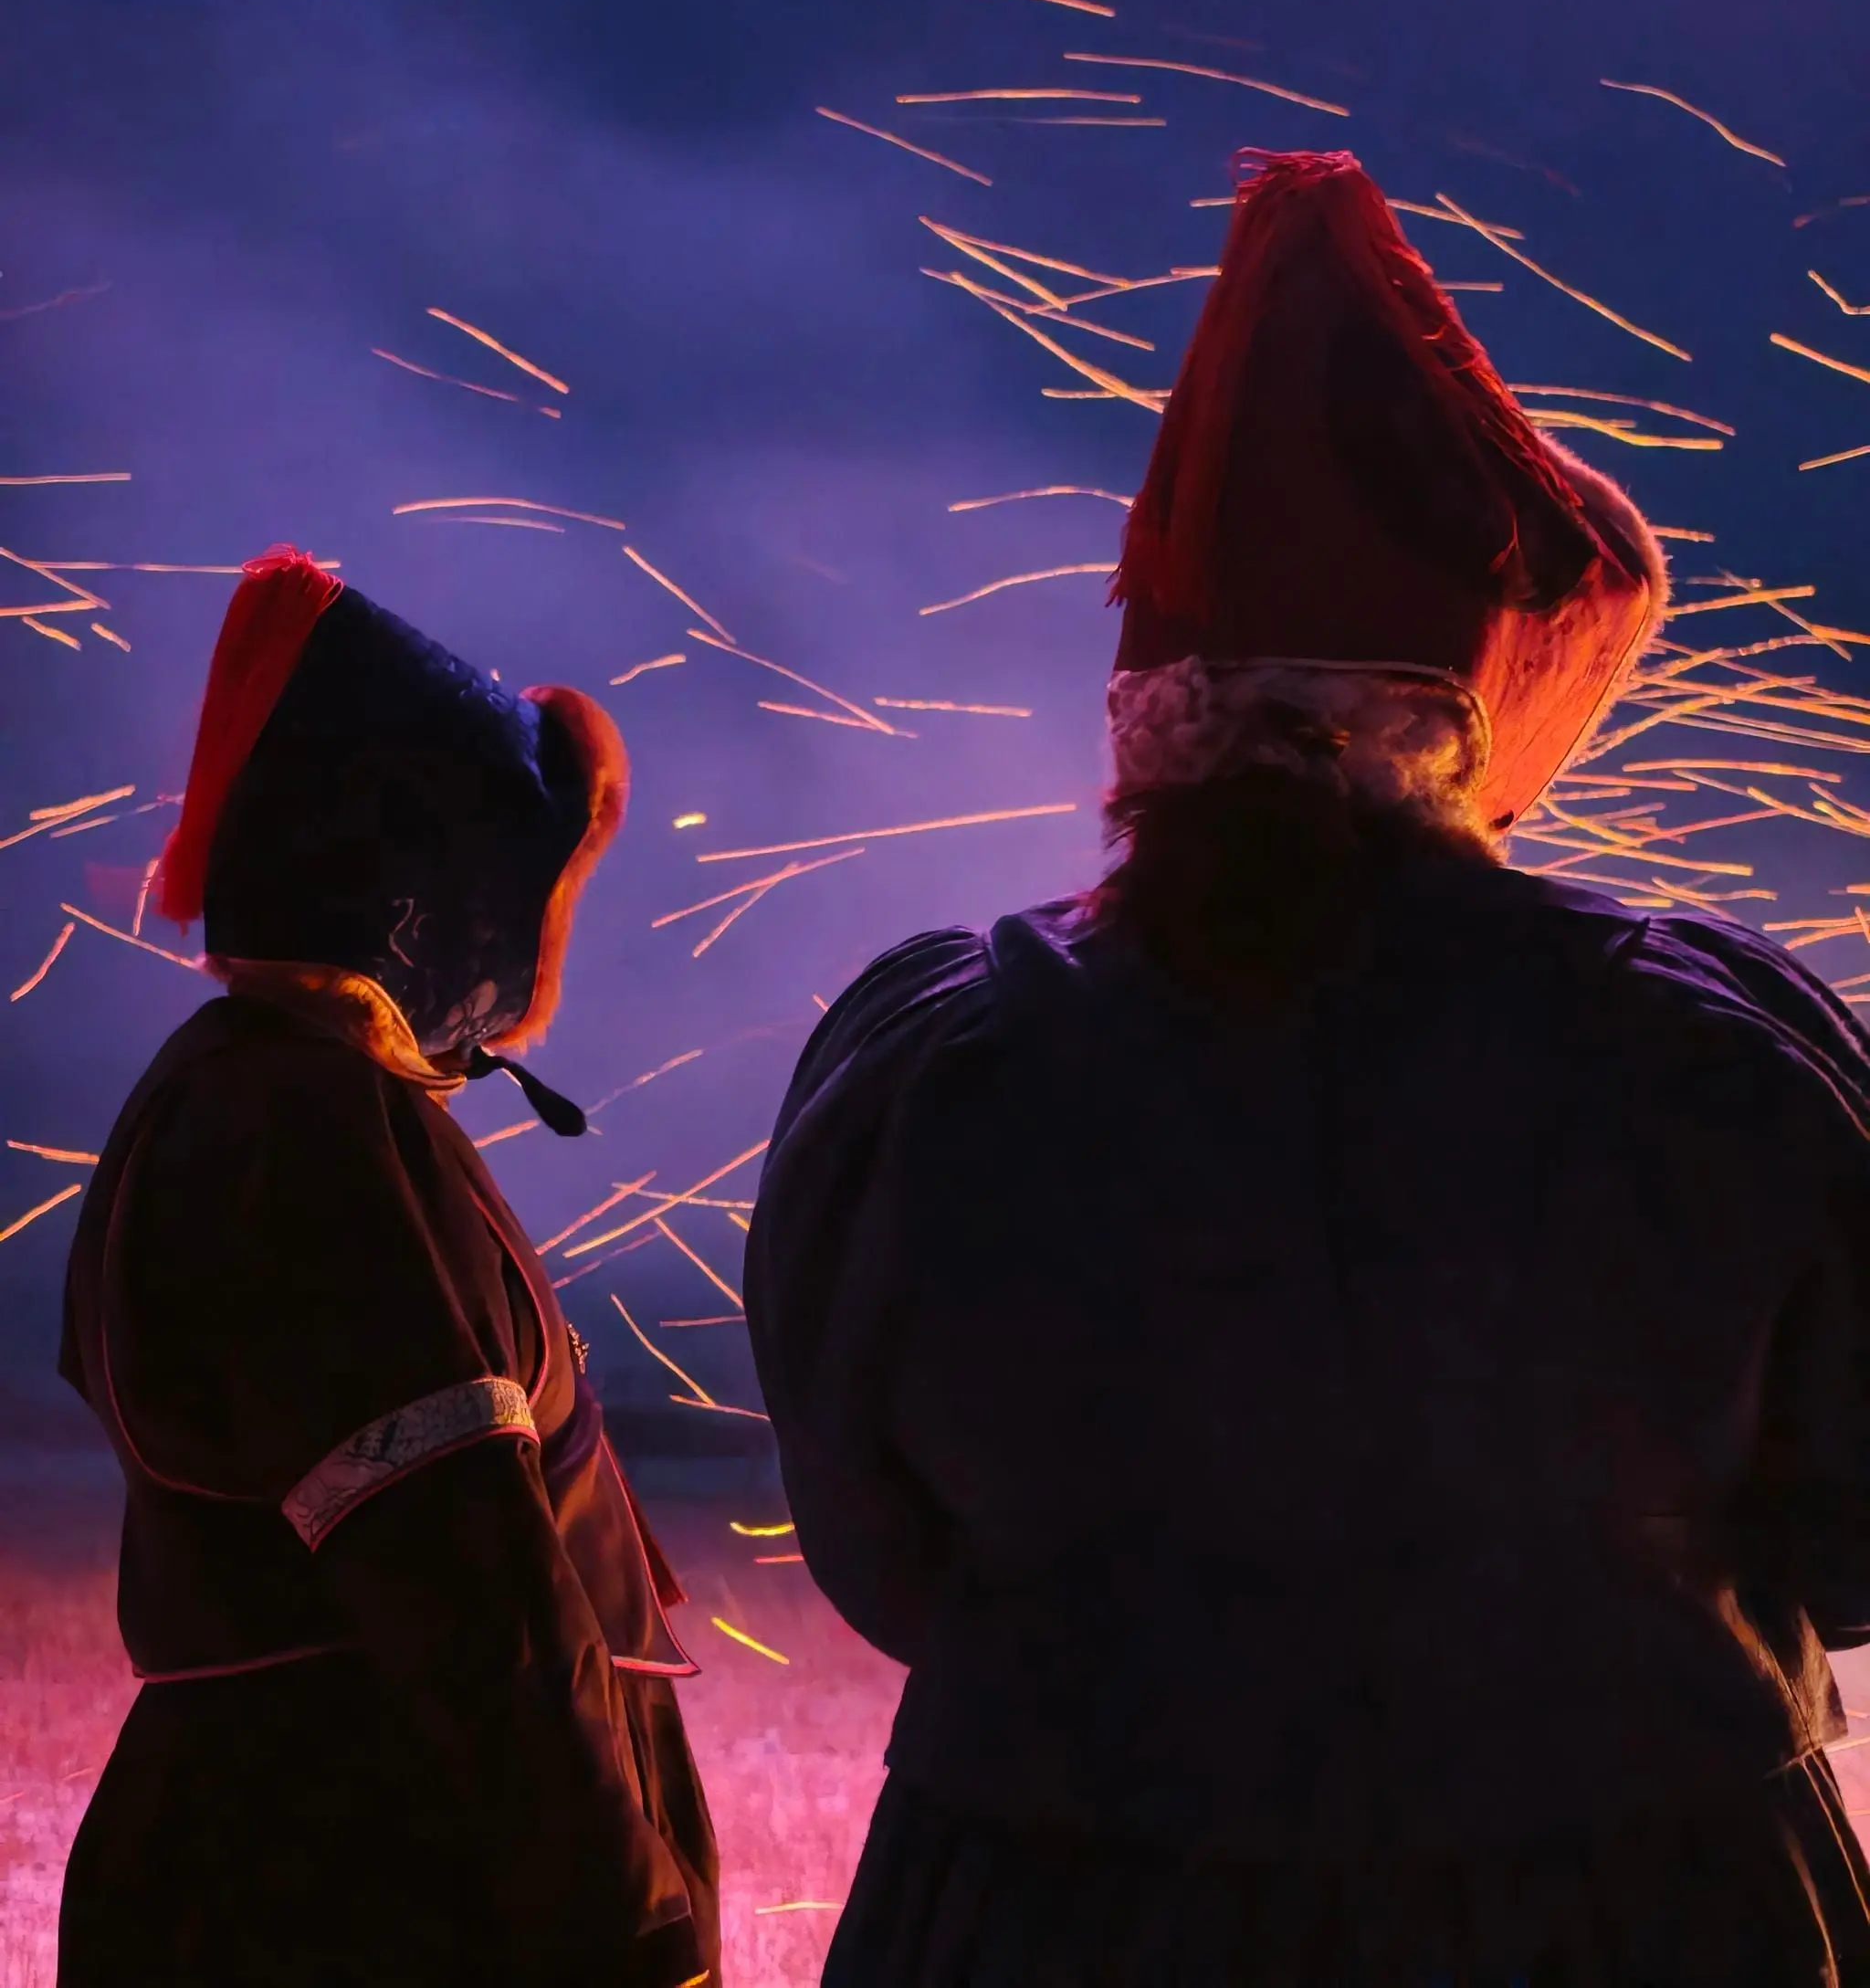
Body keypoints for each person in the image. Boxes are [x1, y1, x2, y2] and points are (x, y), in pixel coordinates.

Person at [745, 152, 1870, 1986]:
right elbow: (1858, 1529)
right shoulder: (1711, 1041)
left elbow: (880, 1549)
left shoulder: (939, 1057)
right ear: (1460, 724)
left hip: (1066, 1911)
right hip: (1645, 1908)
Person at [58, 548, 718, 1988]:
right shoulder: (311, 1129)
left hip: (316, 1856)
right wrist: (634, 1934)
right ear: (418, 902)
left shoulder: (238, 1089)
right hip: (370, 1886)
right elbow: (472, 1592)